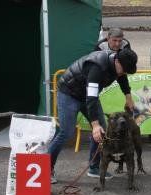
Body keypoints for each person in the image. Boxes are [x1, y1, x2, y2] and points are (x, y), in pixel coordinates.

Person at [48, 48, 138, 184]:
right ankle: (46, 169)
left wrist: (128, 97)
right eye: (124, 69)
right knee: (66, 132)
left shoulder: (118, 65)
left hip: (87, 94)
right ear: (117, 61)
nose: (124, 72)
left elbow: (122, 78)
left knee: (103, 130)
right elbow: (91, 98)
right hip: (69, 93)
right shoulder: (97, 66)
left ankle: (94, 168)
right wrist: (94, 125)